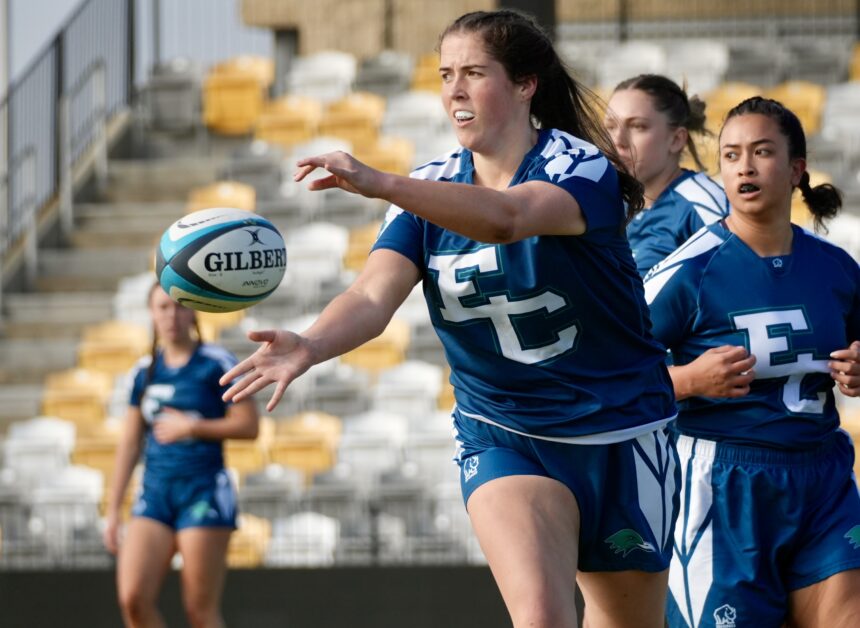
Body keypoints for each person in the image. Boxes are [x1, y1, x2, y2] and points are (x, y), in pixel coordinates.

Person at [221, 10, 678, 627]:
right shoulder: (425, 187)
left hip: (620, 431)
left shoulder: (582, 167)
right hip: (504, 431)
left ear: (525, 85)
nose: (454, 90)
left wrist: (382, 182)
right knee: (541, 618)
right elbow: (371, 297)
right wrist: (310, 343)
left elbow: (506, 219)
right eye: (444, 75)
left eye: (473, 73)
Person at [643, 97, 860, 627]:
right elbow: (603, 380)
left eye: (762, 152)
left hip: (823, 479)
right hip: (721, 487)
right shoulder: (688, 271)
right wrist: (690, 379)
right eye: (732, 154)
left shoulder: (836, 267)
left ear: (796, 169)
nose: (745, 166)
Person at [103, 283, 259, 628]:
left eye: (179, 307)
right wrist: (113, 510)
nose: (171, 316)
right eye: (162, 308)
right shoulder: (144, 372)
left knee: (199, 610)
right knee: (133, 600)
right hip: (155, 494)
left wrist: (194, 427)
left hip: (202, 491)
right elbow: (129, 443)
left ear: (193, 311)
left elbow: (249, 425)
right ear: (151, 313)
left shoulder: (215, 362)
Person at [604, 74, 730, 277]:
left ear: (676, 139)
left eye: (637, 126)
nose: (618, 140)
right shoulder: (608, 204)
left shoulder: (703, 209)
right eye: (610, 126)